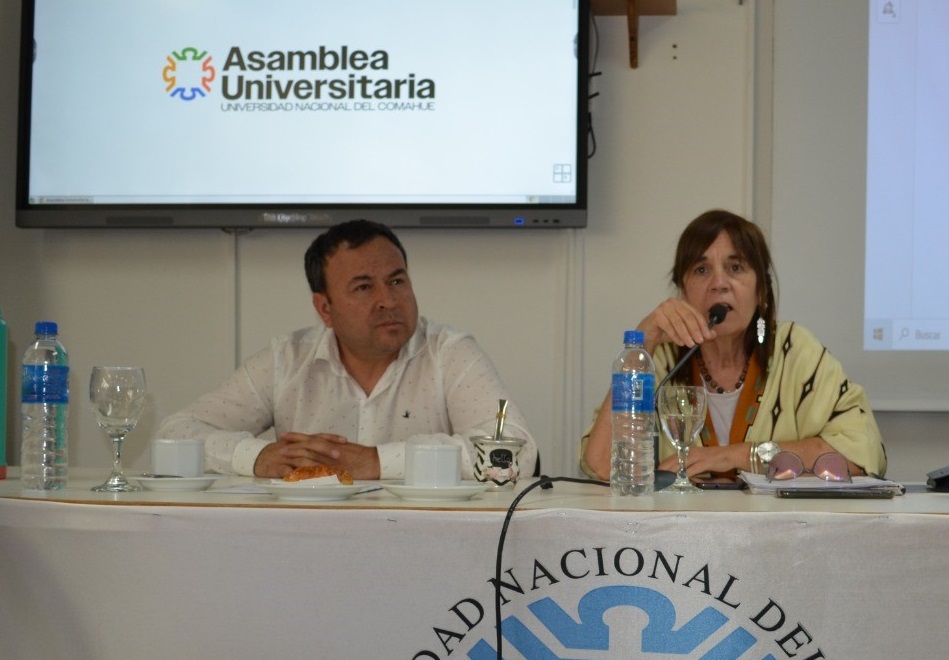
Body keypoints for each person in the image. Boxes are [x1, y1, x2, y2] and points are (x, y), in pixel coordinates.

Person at [158, 219, 537, 480]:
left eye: (396, 280)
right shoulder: (286, 360)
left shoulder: (450, 353)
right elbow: (174, 434)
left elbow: (516, 453)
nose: (388, 300)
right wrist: (256, 458)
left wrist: (376, 462)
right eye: (363, 287)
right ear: (325, 309)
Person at [581, 209, 886, 481]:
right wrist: (642, 344)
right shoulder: (659, 360)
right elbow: (599, 466)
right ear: (682, 290)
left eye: (736, 268)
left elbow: (864, 452)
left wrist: (730, 456)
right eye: (702, 270)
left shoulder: (795, 350)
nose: (719, 283)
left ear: (762, 289)